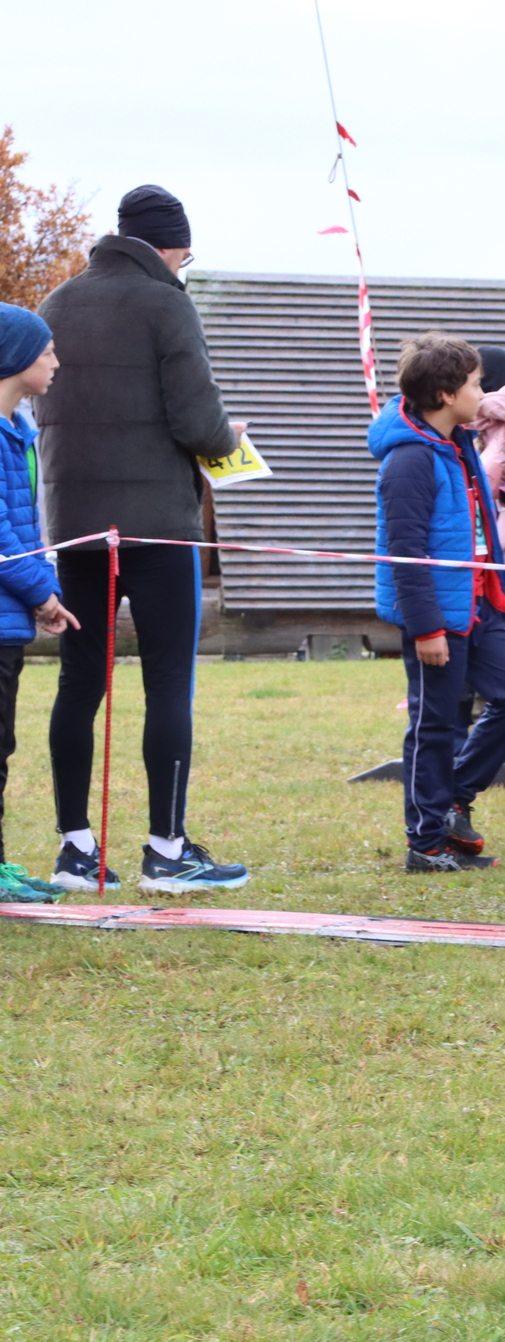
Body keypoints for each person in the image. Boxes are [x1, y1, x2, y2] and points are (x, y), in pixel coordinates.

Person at [35, 184, 250, 894]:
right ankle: (167, 849)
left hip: (76, 524)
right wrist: (229, 439)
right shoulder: (167, 302)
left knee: (79, 682)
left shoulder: (58, 302)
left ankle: (74, 847)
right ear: (172, 246)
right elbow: (198, 421)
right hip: (157, 527)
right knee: (168, 683)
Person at [371, 335, 505, 872]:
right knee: (436, 725)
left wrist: (502, 590)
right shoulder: (410, 461)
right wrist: (426, 628)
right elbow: (405, 552)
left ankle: (453, 799)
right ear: (445, 394)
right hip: (439, 617)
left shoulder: (461, 445)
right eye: (474, 384)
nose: (481, 393)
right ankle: (425, 844)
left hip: (481, 605)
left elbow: (479, 529)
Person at [0, 307, 79, 903]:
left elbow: (29, 529)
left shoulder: (18, 430)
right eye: (46, 351)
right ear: (14, 357)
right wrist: (43, 592)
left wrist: (44, 588)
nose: (55, 361)